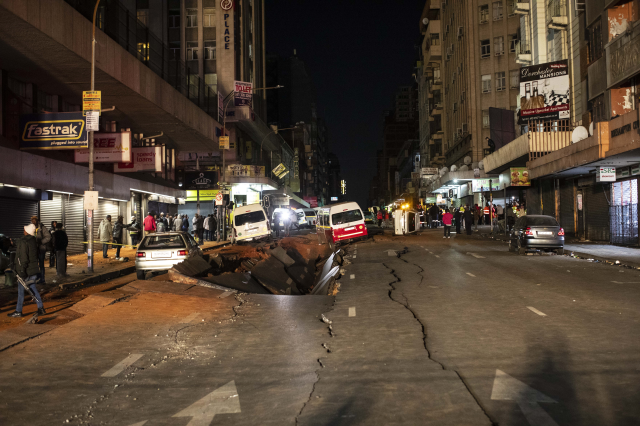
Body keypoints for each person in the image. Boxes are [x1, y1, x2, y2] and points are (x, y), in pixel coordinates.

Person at [7, 223, 45, 317]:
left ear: (27, 232)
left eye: (24, 230)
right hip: (32, 269)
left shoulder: (24, 242)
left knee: (21, 291)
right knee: (32, 288)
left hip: (25, 270)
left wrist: (22, 271)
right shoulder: (33, 241)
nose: (23, 231)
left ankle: (18, 311)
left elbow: (24, 257)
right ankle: (40, 308)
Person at [32, 216, 51, 284]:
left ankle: (42, 279)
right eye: (32, 221)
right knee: (34, 264)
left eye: (34, 221)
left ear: (37, 221)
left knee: (41, 264)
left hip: (41, 249)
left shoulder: (42, 228)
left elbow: (48, 237)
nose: (33, 222)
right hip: (34, 249)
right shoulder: (32, 228)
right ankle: (37, 277)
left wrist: (41, 241)